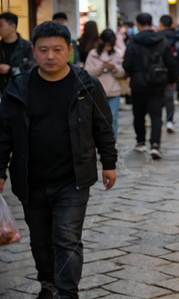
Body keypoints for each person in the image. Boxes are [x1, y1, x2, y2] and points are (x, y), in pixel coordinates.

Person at [0, 21, 116, 299]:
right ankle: (48, 286)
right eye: (43, 50)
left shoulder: (86, 84)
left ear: (69, 50)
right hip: (30, 180)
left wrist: (109, 162)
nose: (50, 56)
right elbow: (3, 133)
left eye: (57, 49)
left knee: (67, 239)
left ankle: (67, 293)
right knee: (40, 241)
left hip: (73, 179)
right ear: (33, 50)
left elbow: (103, 126)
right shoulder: (18, 87)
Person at [122, 13, 177, 159]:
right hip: (158, 82)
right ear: (152, 23)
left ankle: (140, 142)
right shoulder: (162, 40)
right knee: (156, 113)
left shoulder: (133, 41)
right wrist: (172, 79)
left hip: (138, 83)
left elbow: (127, 63)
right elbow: (170, 62)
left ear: (138, 25)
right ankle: (155, 144)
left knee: (138, 113)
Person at [83, 29, 125, 139]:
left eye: (111, 44)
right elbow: (87, 72)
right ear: (101, 41)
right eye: (107, 44)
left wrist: (114, 68)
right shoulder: (93, 53)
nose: (109, 47)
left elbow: (122, 73)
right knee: (97, 119)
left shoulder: (118, 53)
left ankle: (112, 141)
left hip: (113, 90)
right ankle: (98, 141)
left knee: (113, 118)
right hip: (97, 91)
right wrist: (100, 68)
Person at [157, 15, 179, 133]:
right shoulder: (178, 38)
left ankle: (156, 120)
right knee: (170, 98)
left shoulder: (156, 37)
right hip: (174, 70)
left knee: (157, 98)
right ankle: (169, 121)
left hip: (157, 72)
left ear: (161, 24)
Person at [0, 12, 35, 95]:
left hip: (22, 92)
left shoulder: (28, 46)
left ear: (13, 26)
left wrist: (10, 70)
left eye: (1, 25)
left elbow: (32, 68)